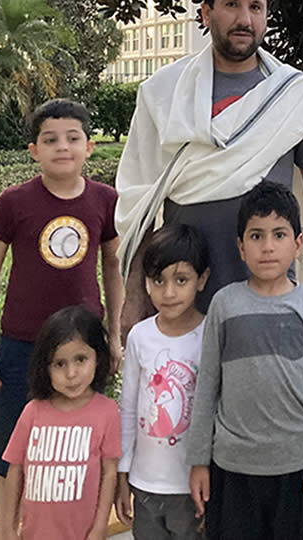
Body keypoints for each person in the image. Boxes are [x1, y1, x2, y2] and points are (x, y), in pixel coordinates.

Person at [115, 0, 303, 332]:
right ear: (206, 13)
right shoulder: (163, 93)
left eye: (256, 7)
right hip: (182, 292)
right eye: (231, 5)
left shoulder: (294, 96)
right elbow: (142, 201)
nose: (244, 19)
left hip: (271, 288)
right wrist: (136, 294)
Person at [0, 98, 122, 528]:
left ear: (89, 146)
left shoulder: (104, 200)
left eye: (73, 138)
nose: (63, 147)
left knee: (82, 447)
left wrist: (113, 335)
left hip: (85, 346)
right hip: (23, 345)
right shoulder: (14, 202)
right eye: (50, 139)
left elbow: (112, 267)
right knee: (12, 452)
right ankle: (7, 530)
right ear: (33, 150)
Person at [186, 180, 303, 539]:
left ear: (298, 244)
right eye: (256, 236)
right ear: (240, 247)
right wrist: (198, 461)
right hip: (232, 466)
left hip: (294, 467)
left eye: (279, 234)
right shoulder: (225, 304)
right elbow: (206, 388)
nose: (268, 247)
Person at [115, 223, 209, 538]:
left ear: (202, 279)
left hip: (191, 486)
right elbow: (128, 406)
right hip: (144, 484)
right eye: (159, 281)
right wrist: (122, 471)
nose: (168, 293)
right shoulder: (141, 336)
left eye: (181, 280)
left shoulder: (209, 335)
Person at [0, 305, 121, 540]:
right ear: (45, 368)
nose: (71, 373)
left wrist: (99, 528)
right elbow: (14, 470)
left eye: (80, 359)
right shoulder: (32, 412)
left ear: (98, 358)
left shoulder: (107, 412)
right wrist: (7, 528)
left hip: (83, 534)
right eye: (59, 364)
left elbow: (109, 474)